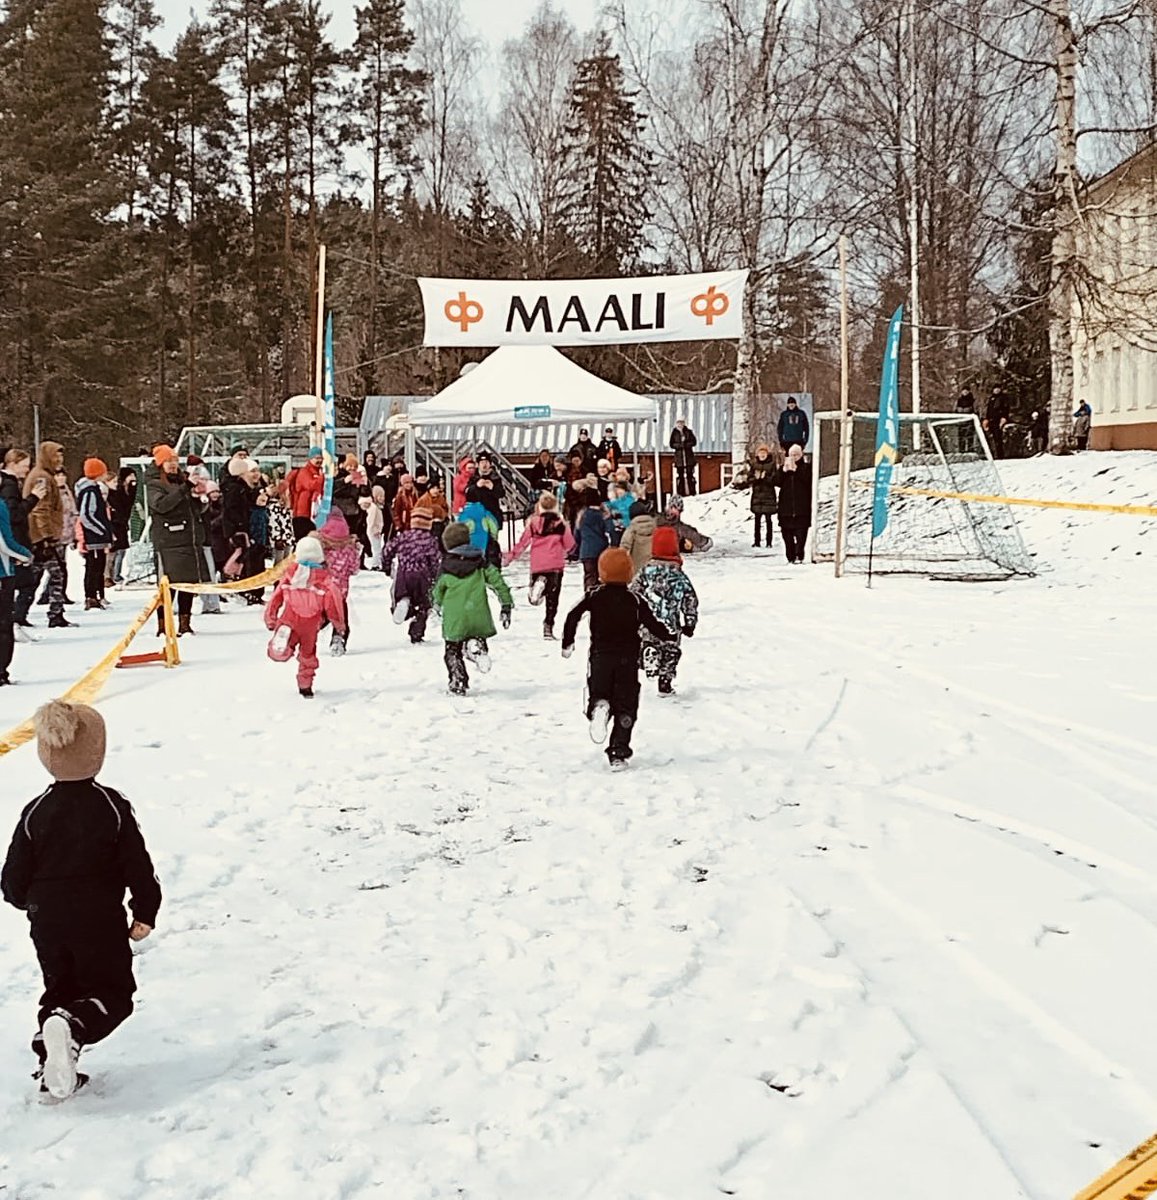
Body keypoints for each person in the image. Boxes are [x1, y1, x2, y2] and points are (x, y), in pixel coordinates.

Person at [1, 699, 161, 1101]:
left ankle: (51, 1066)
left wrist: (29, 903)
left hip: (48, 919)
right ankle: (70, 1031)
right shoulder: (111, 806)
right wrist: (144, 910)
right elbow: (137, 864)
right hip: (98, 918)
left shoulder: (35, 811)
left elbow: (12, 879)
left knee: (60, 989)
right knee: (112, 993)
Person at [560, 547, 674, 770]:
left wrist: (568, 642)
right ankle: (618, 752)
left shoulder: (594, 596)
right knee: (626, 706)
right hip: (627, 661)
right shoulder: (634, 600)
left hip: (601, 658)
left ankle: (598, 707)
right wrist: (668, 636)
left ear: (602, 572)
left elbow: (572, 616)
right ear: (629, 573)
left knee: (599, 690)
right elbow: (652, 623)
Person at [432, 522, 513, 696]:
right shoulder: (480, 562)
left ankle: (458, 681)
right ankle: (476, 647)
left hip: (455, 618)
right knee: (476, 634)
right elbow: (498, 582)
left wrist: (437, 604)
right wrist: (506, 604)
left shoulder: (446, 567)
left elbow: (438, 590)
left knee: (452, 651)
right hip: (478, 614)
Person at [264, 534, 346, 699]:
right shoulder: (326, 581)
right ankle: (305, 685)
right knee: (307, 654)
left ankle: (281, 648)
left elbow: (276, 597)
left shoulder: (289, 575)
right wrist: (339, 625)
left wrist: (270, 617)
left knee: (285, 640)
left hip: (289, 617)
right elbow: (334, 605)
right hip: (311, 623)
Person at [145, 445, 211, 636]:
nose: (173, 465)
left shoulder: (182, 481)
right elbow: (162, 505)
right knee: (168, 585)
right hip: (168, 542)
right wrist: (186, 488)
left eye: (175, 460)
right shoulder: (154, 484)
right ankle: (163, 625)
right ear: (160, 464)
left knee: (187, 584)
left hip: (189, 540)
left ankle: (185, 622)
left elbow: (193, 510)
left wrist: (201, 499)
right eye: (168, 461)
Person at [633, 526, 699, 697]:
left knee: (648, 641)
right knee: (671, 651)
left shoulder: (646, 571)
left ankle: (648, 653)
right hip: (671, 622)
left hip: (647, 621)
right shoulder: (678, 575)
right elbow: (690, 597)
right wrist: (690, 622)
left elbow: (634, 592)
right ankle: (665, 683)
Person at [504, 492, 575, 640]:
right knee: (553, 599)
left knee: (538, 594)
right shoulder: (561, 524)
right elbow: (569, 545)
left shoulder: (534, 523)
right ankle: (548, 627)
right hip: (555, 564)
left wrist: (510, 556)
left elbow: (523, 543)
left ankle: (536, 593)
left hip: (538, 564)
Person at [24, 442, 72, 628]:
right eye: (55, 458)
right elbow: (40, 510)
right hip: (43, 537)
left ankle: (21, 612)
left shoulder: (45, 476)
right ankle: (54, 613)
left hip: (44, 535)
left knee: (38, 576)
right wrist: (46, 537)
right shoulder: (41, 478)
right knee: (55, 574)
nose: (59, 461)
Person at [382, 506, 443, 644]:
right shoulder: (430, 540)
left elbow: (387, 550)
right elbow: (435, 560)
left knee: (400, 595)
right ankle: (416, 632)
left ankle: (404, 604)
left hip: (404, 573)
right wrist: (434, 576)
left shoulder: (403, 536)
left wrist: (386, 566)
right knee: (423, 605)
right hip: (423, 575)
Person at [2, 449, 47, 631]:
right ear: (12, 464)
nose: (26, 471)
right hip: (14, 540)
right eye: (24, 466)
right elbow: (15, 514)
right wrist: (34, 498)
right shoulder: (9, 485)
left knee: (21, 583)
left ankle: (15, 621)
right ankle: (15, 621)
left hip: (14, 538)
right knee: (25, 583)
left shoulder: (9, 483)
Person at [317, 511, 361, 655]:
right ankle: (338, 638)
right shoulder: (349, 549)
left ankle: (308, 632)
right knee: (340, 618)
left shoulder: (322, 548)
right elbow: (354, 569)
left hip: (322, 591)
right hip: (340, 593)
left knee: (320, 615)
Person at [0, 488, 31, 685]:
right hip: (2, 573)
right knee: (3, 624)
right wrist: (24, 555)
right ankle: (1, 670)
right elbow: (4, 541)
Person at [75, 459, 114, 611]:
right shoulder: (90, 491)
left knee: (98, 566)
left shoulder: (93, 489)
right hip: (94, 537)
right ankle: (91, 596)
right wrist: (100, 530)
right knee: (94, 567)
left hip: (97, 536)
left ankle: (96, 595)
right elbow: (87, 515)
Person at [774, 444, 812, 563]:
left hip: (802, 508)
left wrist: (797, 470)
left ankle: (799, 554)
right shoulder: (783, 468)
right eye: (791, 455)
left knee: (801, 535)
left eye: (796, 454)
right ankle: (790, 556)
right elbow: (776, 481)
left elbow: (809, 481)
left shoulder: (806, 468)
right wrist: (784, 471)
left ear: (801, 455)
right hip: (786, 508)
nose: (794, 457)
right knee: (787, 535)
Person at [465, 454, 505, 565]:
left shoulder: (495, 478)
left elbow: (501, 494)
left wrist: (492, 487)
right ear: (477, 465)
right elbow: (468, 495)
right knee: (478, 542)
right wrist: (476, 486)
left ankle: (493, 565)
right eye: (482, 463)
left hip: (492, 515)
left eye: (487, 462)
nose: (484, 465)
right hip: (477, 517)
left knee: (492, 542)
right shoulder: (473, 479)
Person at [576, 485, 612, 591]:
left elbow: (577, 535)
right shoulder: (603, 515)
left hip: (586, 551)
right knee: (602, 577)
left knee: (589, 577)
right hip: (602, 550)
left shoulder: (581, 516)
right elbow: (609, 531)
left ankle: (588, 598)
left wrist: (576, 551)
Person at [105, 468, 135, 588]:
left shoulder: (120, 492)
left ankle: (114, 574)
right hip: (114, 524)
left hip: (120, 524)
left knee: (120, 550)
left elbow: (128, 503)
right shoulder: (110, 495)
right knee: (112, 552)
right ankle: (109, 575)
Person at [287, 447, 325, 538]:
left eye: (320, 458)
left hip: (314, 513)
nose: (319, 460)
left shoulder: (319, 471)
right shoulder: (304, 472)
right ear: (310, 458)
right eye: (316, 458)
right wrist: (322, 477)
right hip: (302, 513)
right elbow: (311, 485)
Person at [749, 444, 778, 550]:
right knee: (757, 520)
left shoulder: (771, 464)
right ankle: (756, 541)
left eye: (764, 453)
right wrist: (756, 479)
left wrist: (765, 478)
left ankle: (769, 542)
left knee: (768, 520)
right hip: (757, 496)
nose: (762, 455)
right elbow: (749, 479)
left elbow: (775, 479)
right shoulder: (754, 465)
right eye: (760, 453)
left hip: (768, 496)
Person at [621, 499, 657, 573]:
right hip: (654, 565)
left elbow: (624, 547)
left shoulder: (631, 528)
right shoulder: (655, 526)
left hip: (637, 567)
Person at [670, 418, 698, 496]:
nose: (680, 424)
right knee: (680, 476)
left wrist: (685, 445)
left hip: (689, 457)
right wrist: (680, 445)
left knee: (690, 475)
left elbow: (694, 442)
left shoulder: (688, 432)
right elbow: (672, 444)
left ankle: (692, 492)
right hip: (679, 458)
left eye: (681, 423)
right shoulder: (674, 433)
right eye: (679, 423)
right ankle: (681, 493)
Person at [364, 485, 386, 568]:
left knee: (378, 548)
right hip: (374, 531)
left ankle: (377, 563)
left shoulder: (378, 507)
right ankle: (375, 564)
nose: (382, 498)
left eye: (383, 496)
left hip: (377, 530)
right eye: (379, 496)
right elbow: (371, 521)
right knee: (376, 549)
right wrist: (375, 530)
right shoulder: (374, 508)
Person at [985, 386, 1010, 458]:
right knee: (991, 438)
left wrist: (1004, 417)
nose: (996, 390)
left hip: (999, 420)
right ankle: (992, 454)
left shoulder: (1003, 398)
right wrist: (986, 419)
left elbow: (1006, 408)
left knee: (998, 438)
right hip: (991, 420)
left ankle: (1000, 455)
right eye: (995, 389)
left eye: (998, 389)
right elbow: (988, 410)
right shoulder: (991, 398)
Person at [955, 390, 977, 454]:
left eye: (966, 391)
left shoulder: (972, 401)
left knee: (970, 437)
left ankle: (971, 451)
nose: (965, 392)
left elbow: (975, 411)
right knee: (961, 438)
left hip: (969, 422)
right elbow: (955, 411)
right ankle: (961, 451)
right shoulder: (958, 401)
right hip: (960, 422)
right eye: (964, 391)